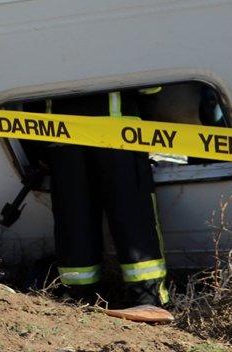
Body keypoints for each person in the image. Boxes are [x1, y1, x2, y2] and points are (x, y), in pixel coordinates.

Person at [45, 91, 173, 324]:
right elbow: (149, 87)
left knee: (74, 219)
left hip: (62, 135)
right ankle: (148, 299)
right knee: (132, 217)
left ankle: (78, 298)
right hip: (119, 134)